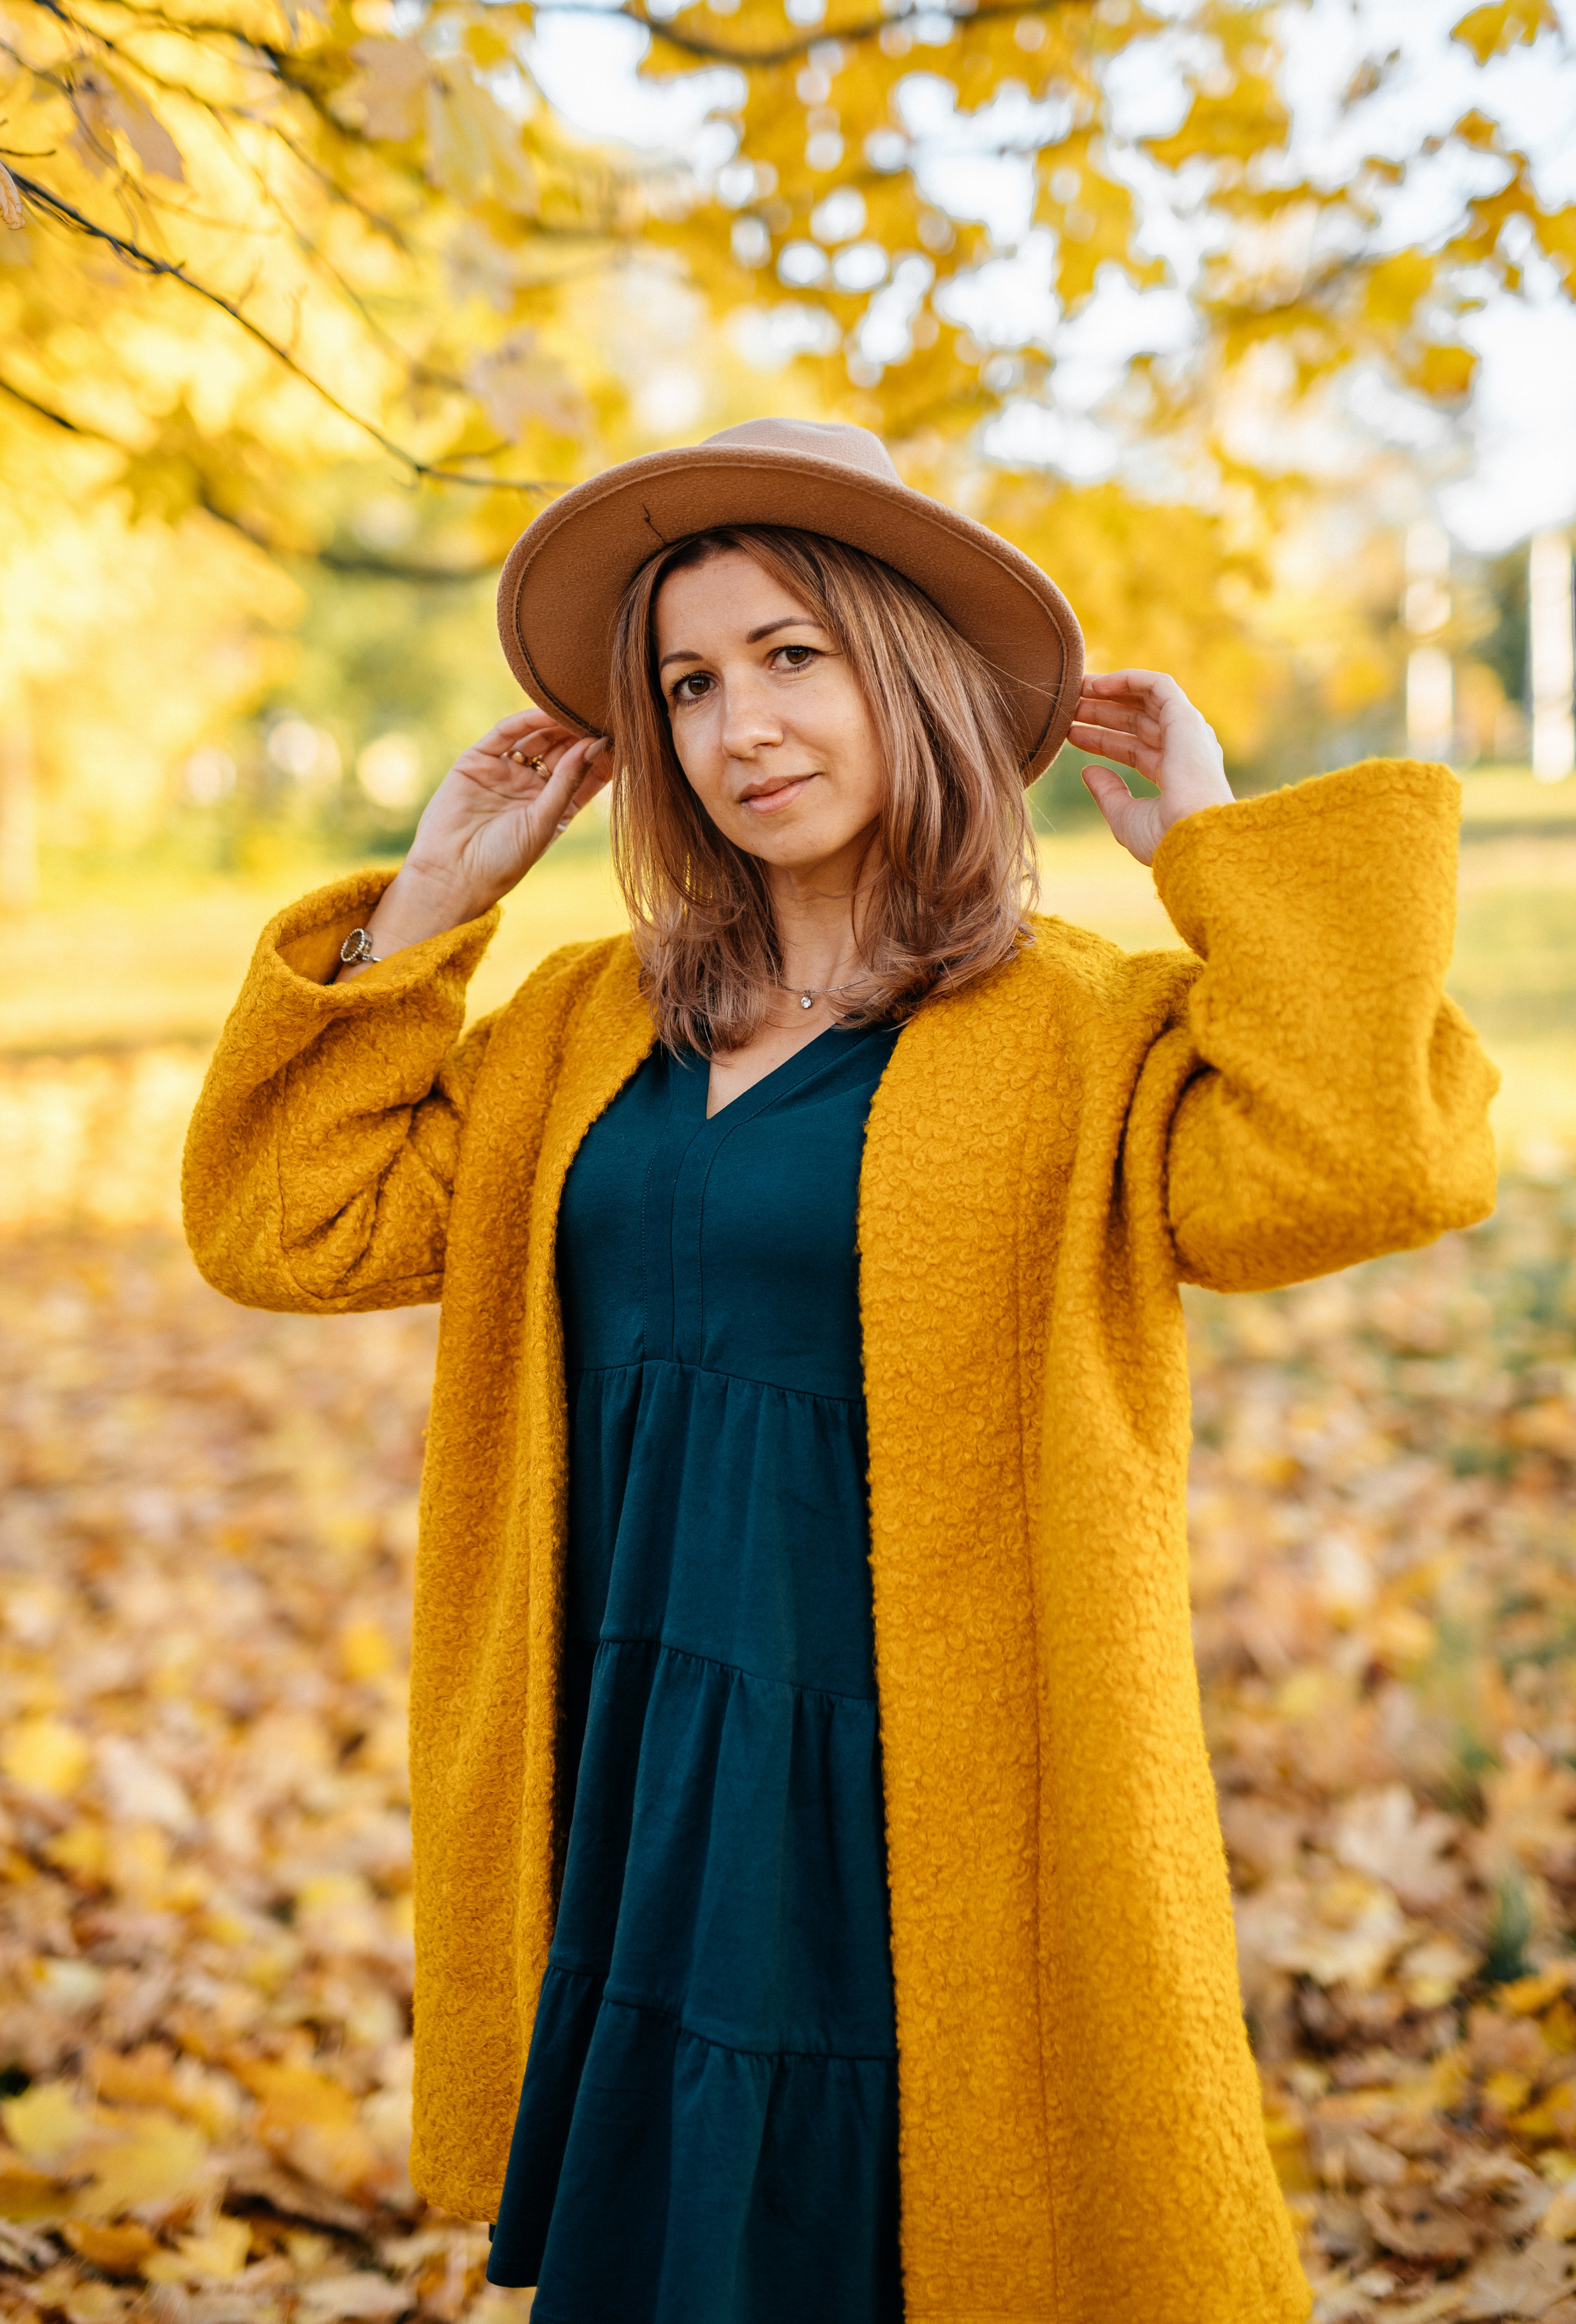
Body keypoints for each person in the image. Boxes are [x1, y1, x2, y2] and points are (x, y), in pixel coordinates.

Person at [184, 419, 1498, 2324]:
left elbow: (1373, 1156)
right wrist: (428, 911)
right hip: (632, 1750)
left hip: (923, 1775)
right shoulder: (582, 1023)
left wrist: (1220, 852)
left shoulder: (1077, 1032)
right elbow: (285, 1227)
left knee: (909, 2240)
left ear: (910, 674)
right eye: (689, 683)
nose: (742, 728)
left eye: (793, 657)